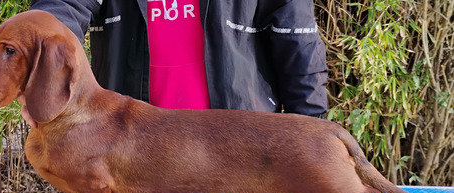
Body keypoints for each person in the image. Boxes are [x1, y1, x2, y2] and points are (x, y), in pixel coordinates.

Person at [30, 0, 327, 117]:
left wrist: (311, 139)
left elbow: (298, 45)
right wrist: (40, 73)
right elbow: (61, 9)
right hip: (128, 149)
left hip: (242, 152)